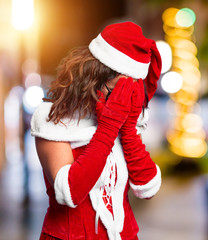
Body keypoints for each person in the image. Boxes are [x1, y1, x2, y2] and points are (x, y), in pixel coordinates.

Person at [31, 21, 162, 240]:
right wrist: (108, 127)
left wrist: (128, 130)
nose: (123, 100)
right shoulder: (53, 118)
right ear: (95, 77)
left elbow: (147, 188)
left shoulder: (124, 119)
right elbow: (69, 192)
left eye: (131, 92)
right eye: (118, 89)